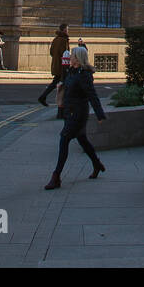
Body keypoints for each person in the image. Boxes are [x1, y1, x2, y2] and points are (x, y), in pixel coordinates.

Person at [44, 45, 106, 190]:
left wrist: (99, 113)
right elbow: (68, 87)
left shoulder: (84, 75)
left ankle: (56, 176)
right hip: (70, 112)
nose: (70, 57)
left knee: (64, 139)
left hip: (78, 114)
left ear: (77, 59)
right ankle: (97, 164)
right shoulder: (72, 72)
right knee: (82, 140)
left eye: (72, 55)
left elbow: (92, 95)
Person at [38, 24, 70, 107]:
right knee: (66, 84)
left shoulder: (55, 39)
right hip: (62, 66)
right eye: (67, 29)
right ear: (64, 30)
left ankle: (43, 97)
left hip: (56, 65)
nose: (68, 31)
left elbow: (51, 52)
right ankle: (62, 103)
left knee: (56, 83)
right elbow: (64, 54)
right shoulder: (64, 40)